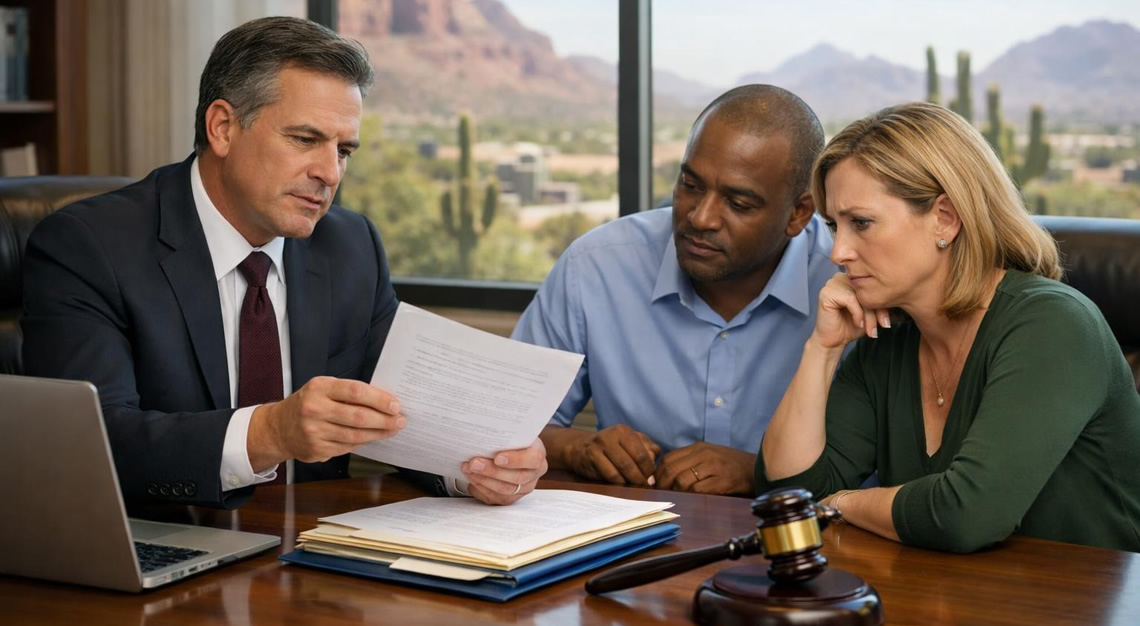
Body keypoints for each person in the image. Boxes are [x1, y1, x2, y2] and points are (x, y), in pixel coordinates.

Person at [21, 16, 545, 509]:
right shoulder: (89, 246)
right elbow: (93, 446)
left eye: (344, 150)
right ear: (223, 127)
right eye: (305, 139)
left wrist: (478, 465)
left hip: (316, 562)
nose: (330, 172)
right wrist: (271, 433)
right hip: (163, 550)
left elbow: (404, 415)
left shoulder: (351, 245)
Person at [757, 101, 1140, 553]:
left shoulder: (1053, 324)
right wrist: (821, 349)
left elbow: (967, 515)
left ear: (945, 218)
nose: (838, 251)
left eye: (861, 223)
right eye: (833, 225)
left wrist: (841, 504)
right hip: (951, 600)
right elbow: (787, 493)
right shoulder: (890, 338)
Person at [513, 85, 838, 496]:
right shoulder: (596, 266)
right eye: (691, 185)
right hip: (634, 541)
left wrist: (762, 472)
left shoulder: (848, 284)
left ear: (798, 214)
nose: (700, 218)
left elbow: (885, 470)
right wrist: (580, 448)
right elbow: (510, 422)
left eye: (738, 204)